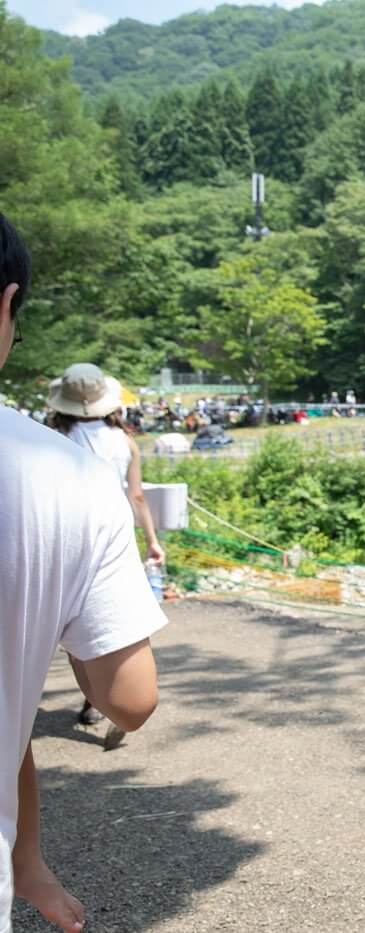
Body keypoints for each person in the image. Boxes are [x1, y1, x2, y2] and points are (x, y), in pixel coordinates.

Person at [1, 213, 166, 933]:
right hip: (78, 545)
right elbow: (135, 698)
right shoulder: (70, 464)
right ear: (7, 306)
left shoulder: (58, 442)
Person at [46, 363, 166, 746]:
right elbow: (137, 496)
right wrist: (152, 540)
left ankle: (86, 696)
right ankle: (103, 701)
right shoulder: (124, 442)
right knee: (114, 632)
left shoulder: (50, 438)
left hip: (61, 539)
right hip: (113, 541)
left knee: (67, 632)